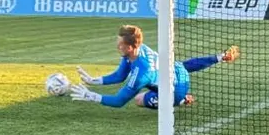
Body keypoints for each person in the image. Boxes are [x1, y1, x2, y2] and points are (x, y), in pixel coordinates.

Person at [62, 24, 240, 109]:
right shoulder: (138, 50)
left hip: (176, 88)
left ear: (131, 47)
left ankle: (181, 99)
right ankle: (218, 57)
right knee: (180, 66)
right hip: (178, 71)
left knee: (139, 100)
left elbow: (119, 101)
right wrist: (95, 80)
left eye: (120, 44)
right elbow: (119, 75)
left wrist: (91, 95)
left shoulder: (142, 72)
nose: (117, 46)